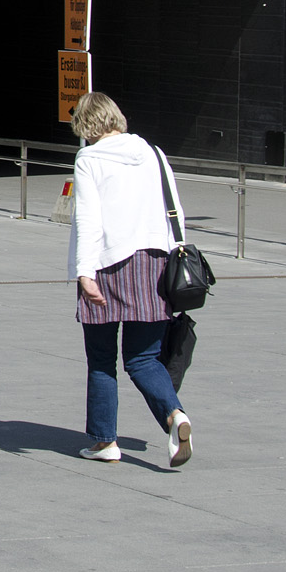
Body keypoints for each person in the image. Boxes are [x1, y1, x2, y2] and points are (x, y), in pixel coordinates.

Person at [67, 91, 193, 468]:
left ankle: (105, 441)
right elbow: (175, 211)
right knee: (143, 358)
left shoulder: (89, 158)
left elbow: (88, 218)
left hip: (108, 264)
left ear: (86, 126)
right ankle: (175, 415)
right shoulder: (153, 153)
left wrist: (84, 272)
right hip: (155, 264)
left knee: (102, 359)